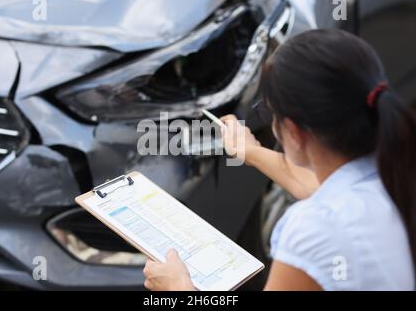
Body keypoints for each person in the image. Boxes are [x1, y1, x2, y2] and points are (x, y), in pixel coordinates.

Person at [142, 29, 416, 291]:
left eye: (270, 113)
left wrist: (179, 288)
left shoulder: (316, 227)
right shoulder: (397, 173)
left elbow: (325, 208)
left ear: (294, 132)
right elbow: (318, 188)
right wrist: (249, 151)